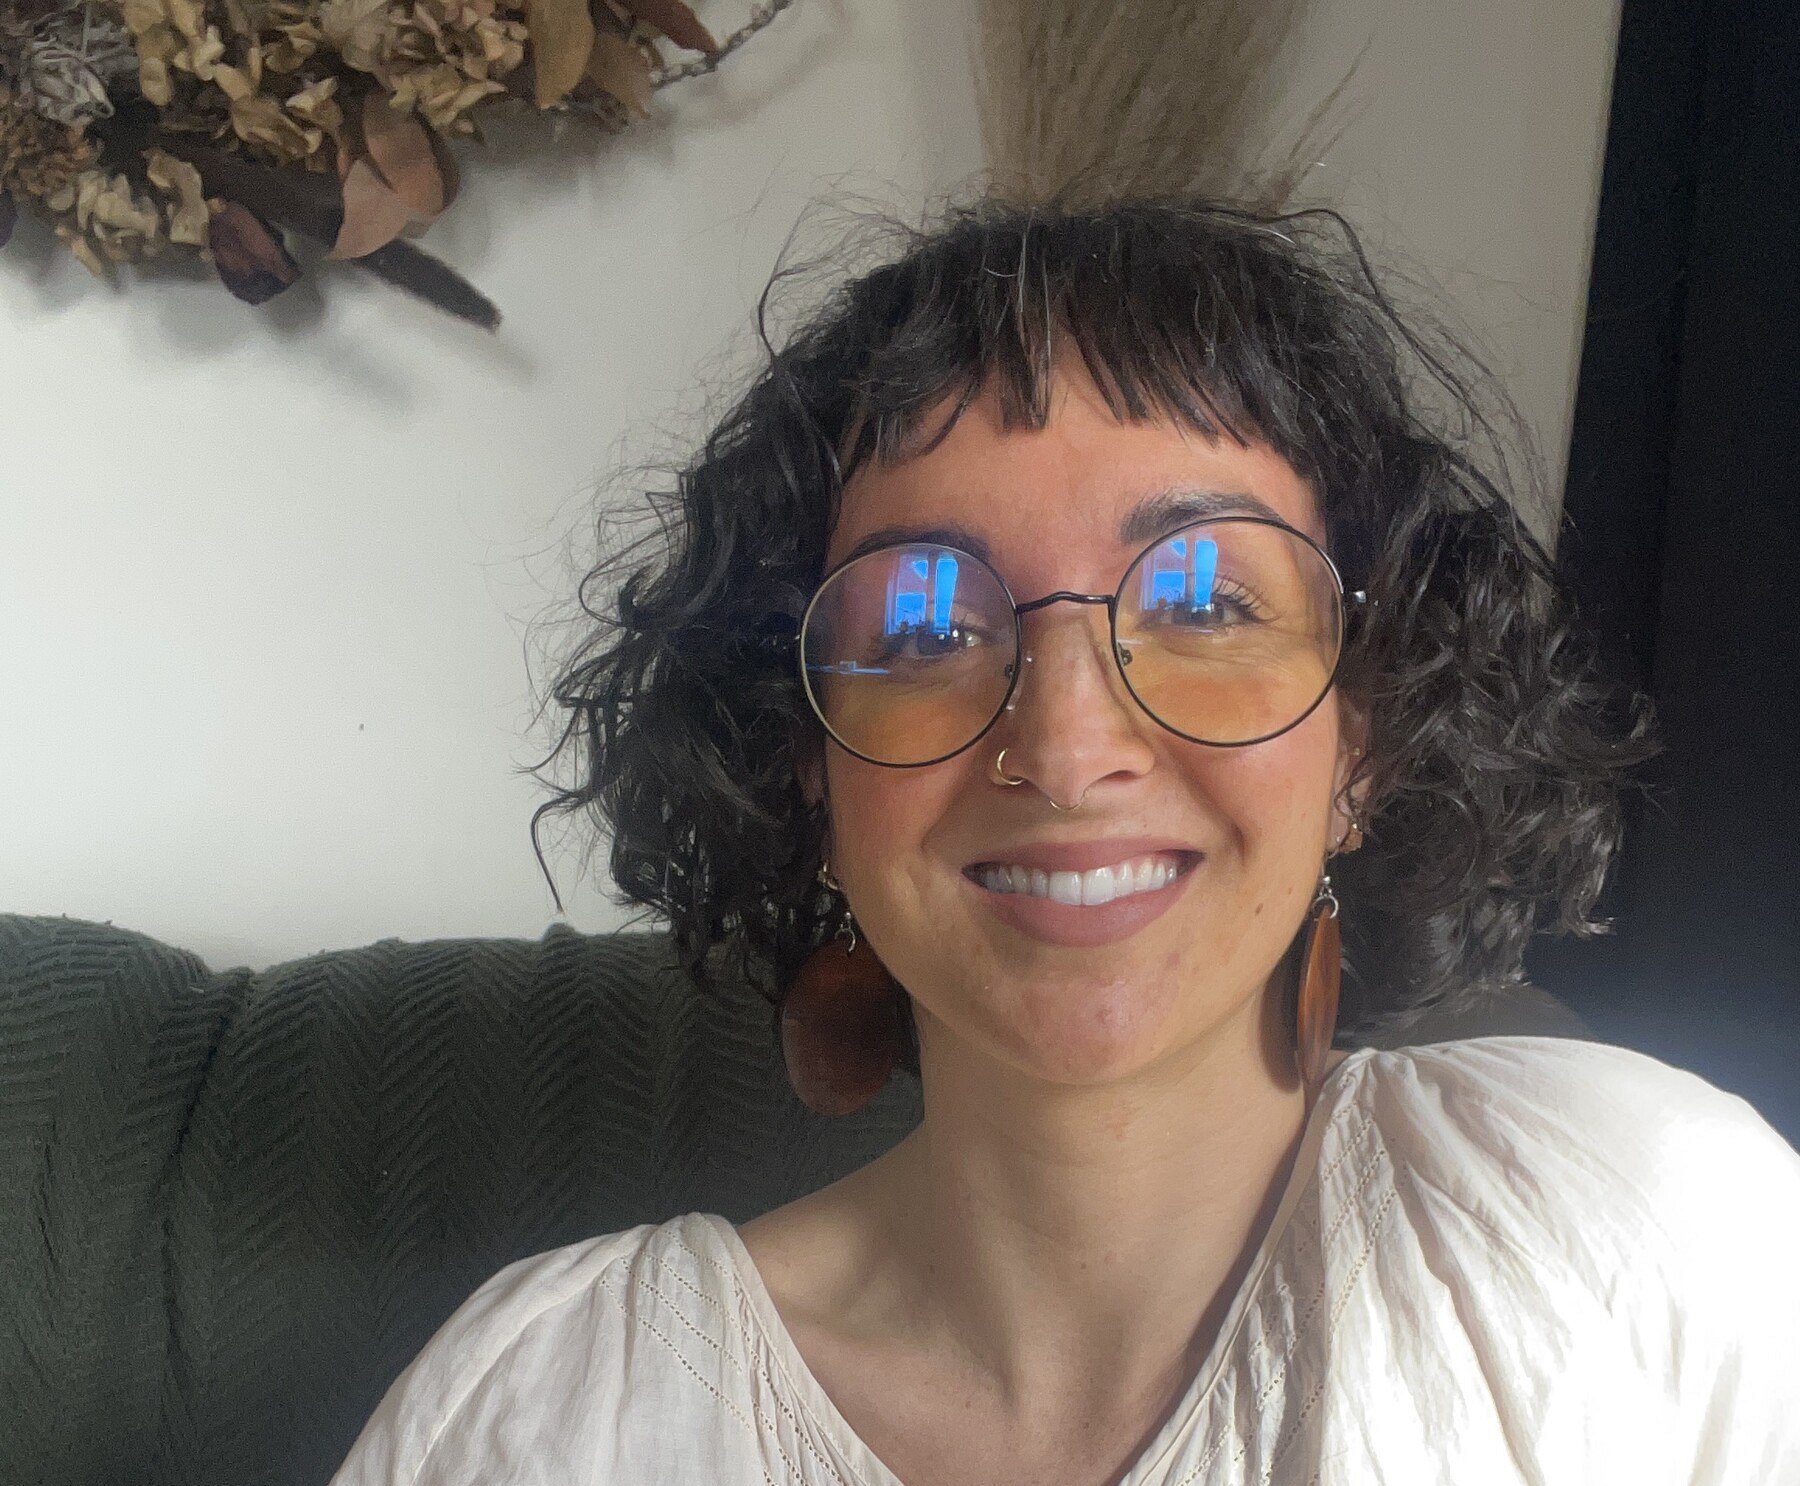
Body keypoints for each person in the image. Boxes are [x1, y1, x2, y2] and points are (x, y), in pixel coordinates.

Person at [330, 193, 1800, 1485]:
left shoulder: (1649, 1232)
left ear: (1367, 739)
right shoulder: (534, 1416)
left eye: (1208, 600)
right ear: (806, 768)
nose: (1069, 745)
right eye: (924, 625)